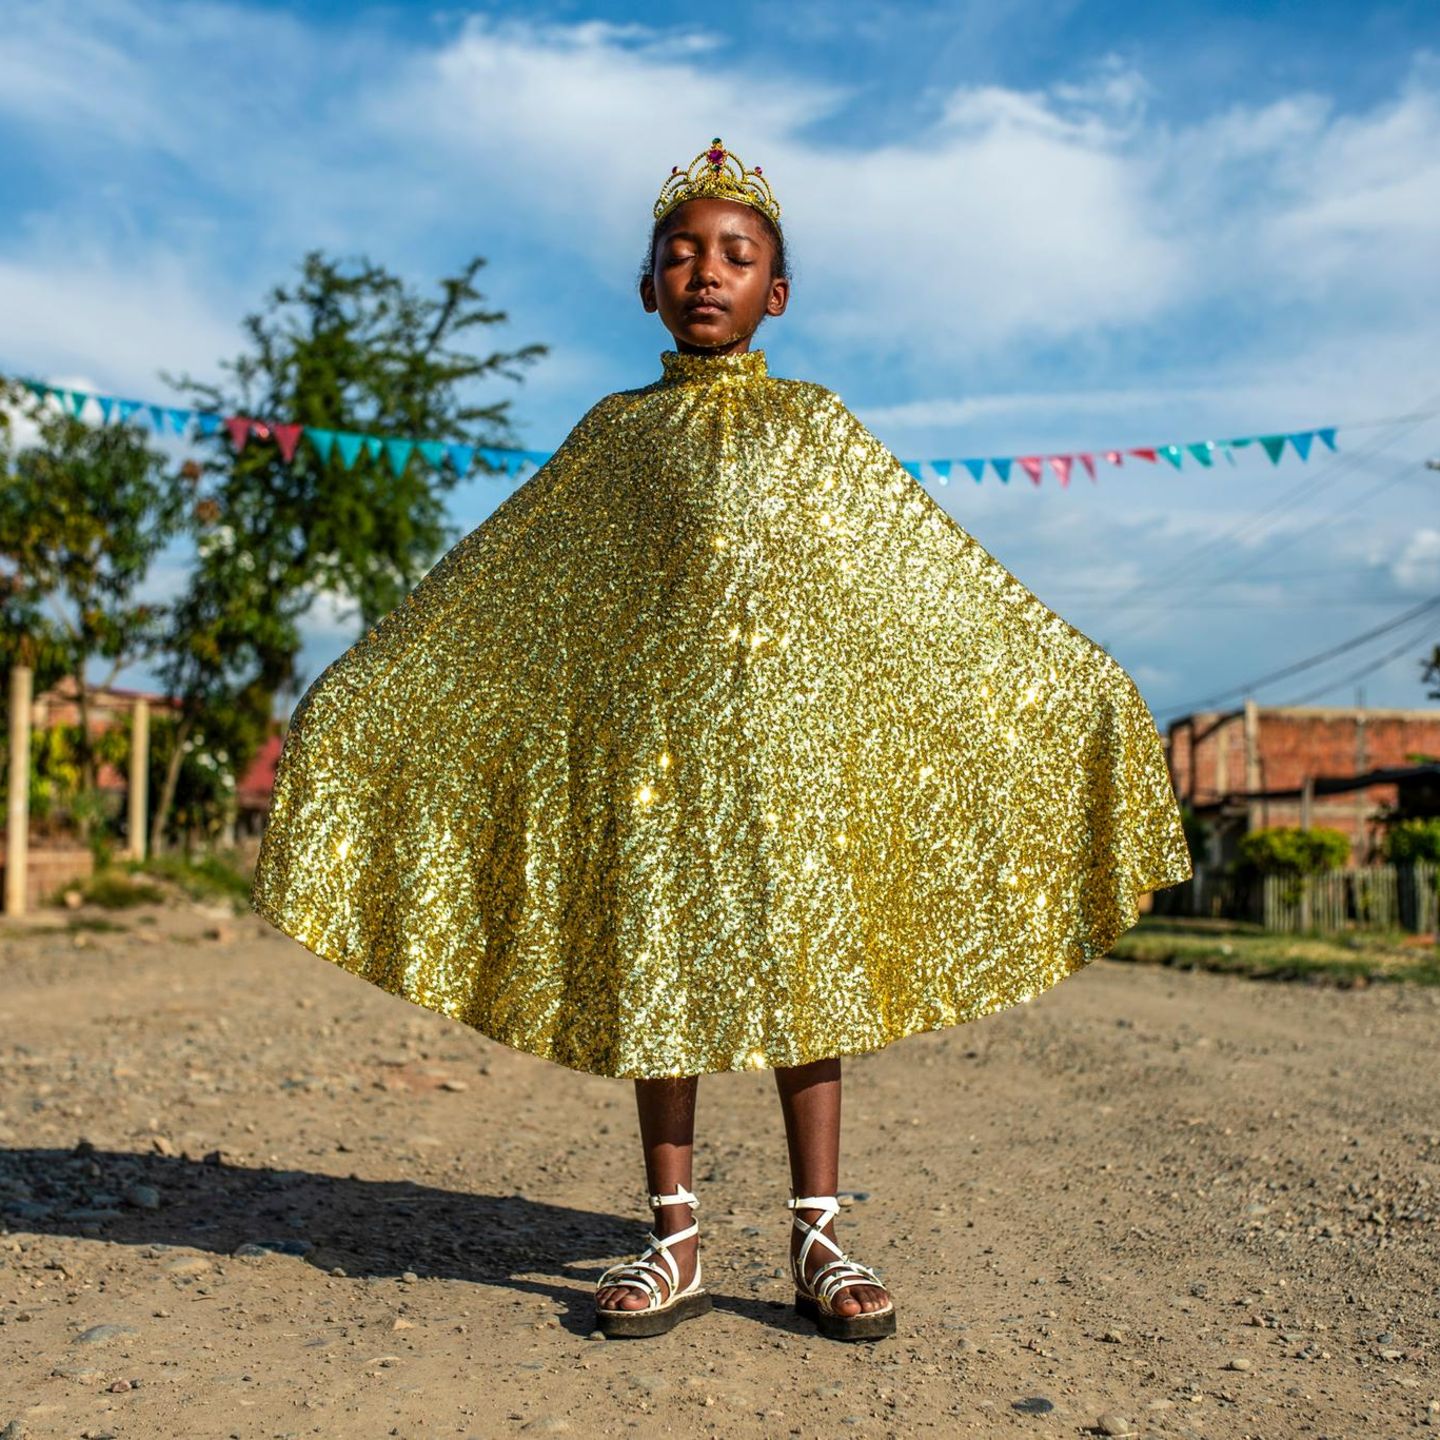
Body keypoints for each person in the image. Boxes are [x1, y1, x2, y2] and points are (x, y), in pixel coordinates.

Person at [251, 138, 1193, 1344]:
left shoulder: (817, 430)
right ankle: (675, 1238)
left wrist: (1077, 684)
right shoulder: (611, 439)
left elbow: (924, 583)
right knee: (661, 987)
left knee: (812, 988)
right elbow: (506, 590)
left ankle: (818, 1238)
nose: (708, 272)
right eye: (682, 254)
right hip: (656, 772)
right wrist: (368, 690)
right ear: (648, 285)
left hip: (795, 769)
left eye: (737, 256)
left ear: (776, 294)